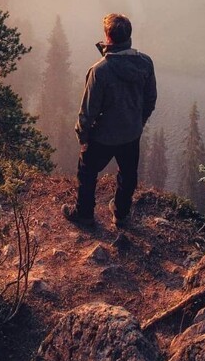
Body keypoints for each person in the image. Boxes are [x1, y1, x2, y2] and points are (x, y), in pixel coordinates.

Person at [63, 13, 157, 229]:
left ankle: (85, 214)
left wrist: (83, 137)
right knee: (128, 175)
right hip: (131, 134)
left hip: (103, 136)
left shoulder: (100, 71)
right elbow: (150, 99)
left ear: (108, 38)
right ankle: (121, 215)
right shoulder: (145, 63)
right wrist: (138, 122)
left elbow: (88, 111)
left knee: (87, 171)